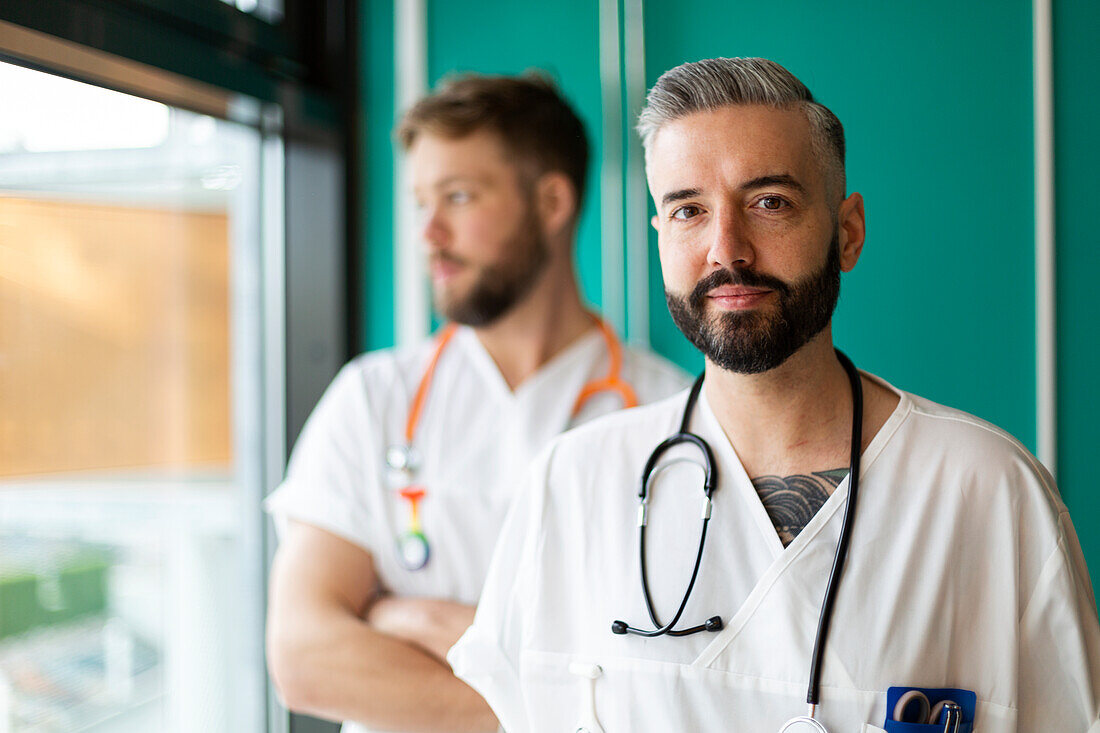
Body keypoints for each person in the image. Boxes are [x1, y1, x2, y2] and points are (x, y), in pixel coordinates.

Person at [448, 58, 1100, 732]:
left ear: (847, 232)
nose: (726, 249)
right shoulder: (572, 482)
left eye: (769, 202)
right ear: (662, 236)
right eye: (688, 210)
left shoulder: (986, 490)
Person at [263, 73, 689, 733]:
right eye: (419, 203)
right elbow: (304, 657)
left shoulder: (675, 420)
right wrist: (551, 705)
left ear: (551, 202)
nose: (429, 232)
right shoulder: (372, 398)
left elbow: (663, 683)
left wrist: (414, 618)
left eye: (458, 197)